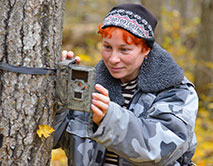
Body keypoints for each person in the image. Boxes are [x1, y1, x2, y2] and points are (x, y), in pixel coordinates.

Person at [53, 3, 198, 166]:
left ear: (146, 49)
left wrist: (108, 118)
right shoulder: (89, 86)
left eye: (124, 50)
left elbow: (159, 151)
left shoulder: (177, 91)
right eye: (107, 47)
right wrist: (60, 92)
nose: (113, 59)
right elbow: (52, 139)